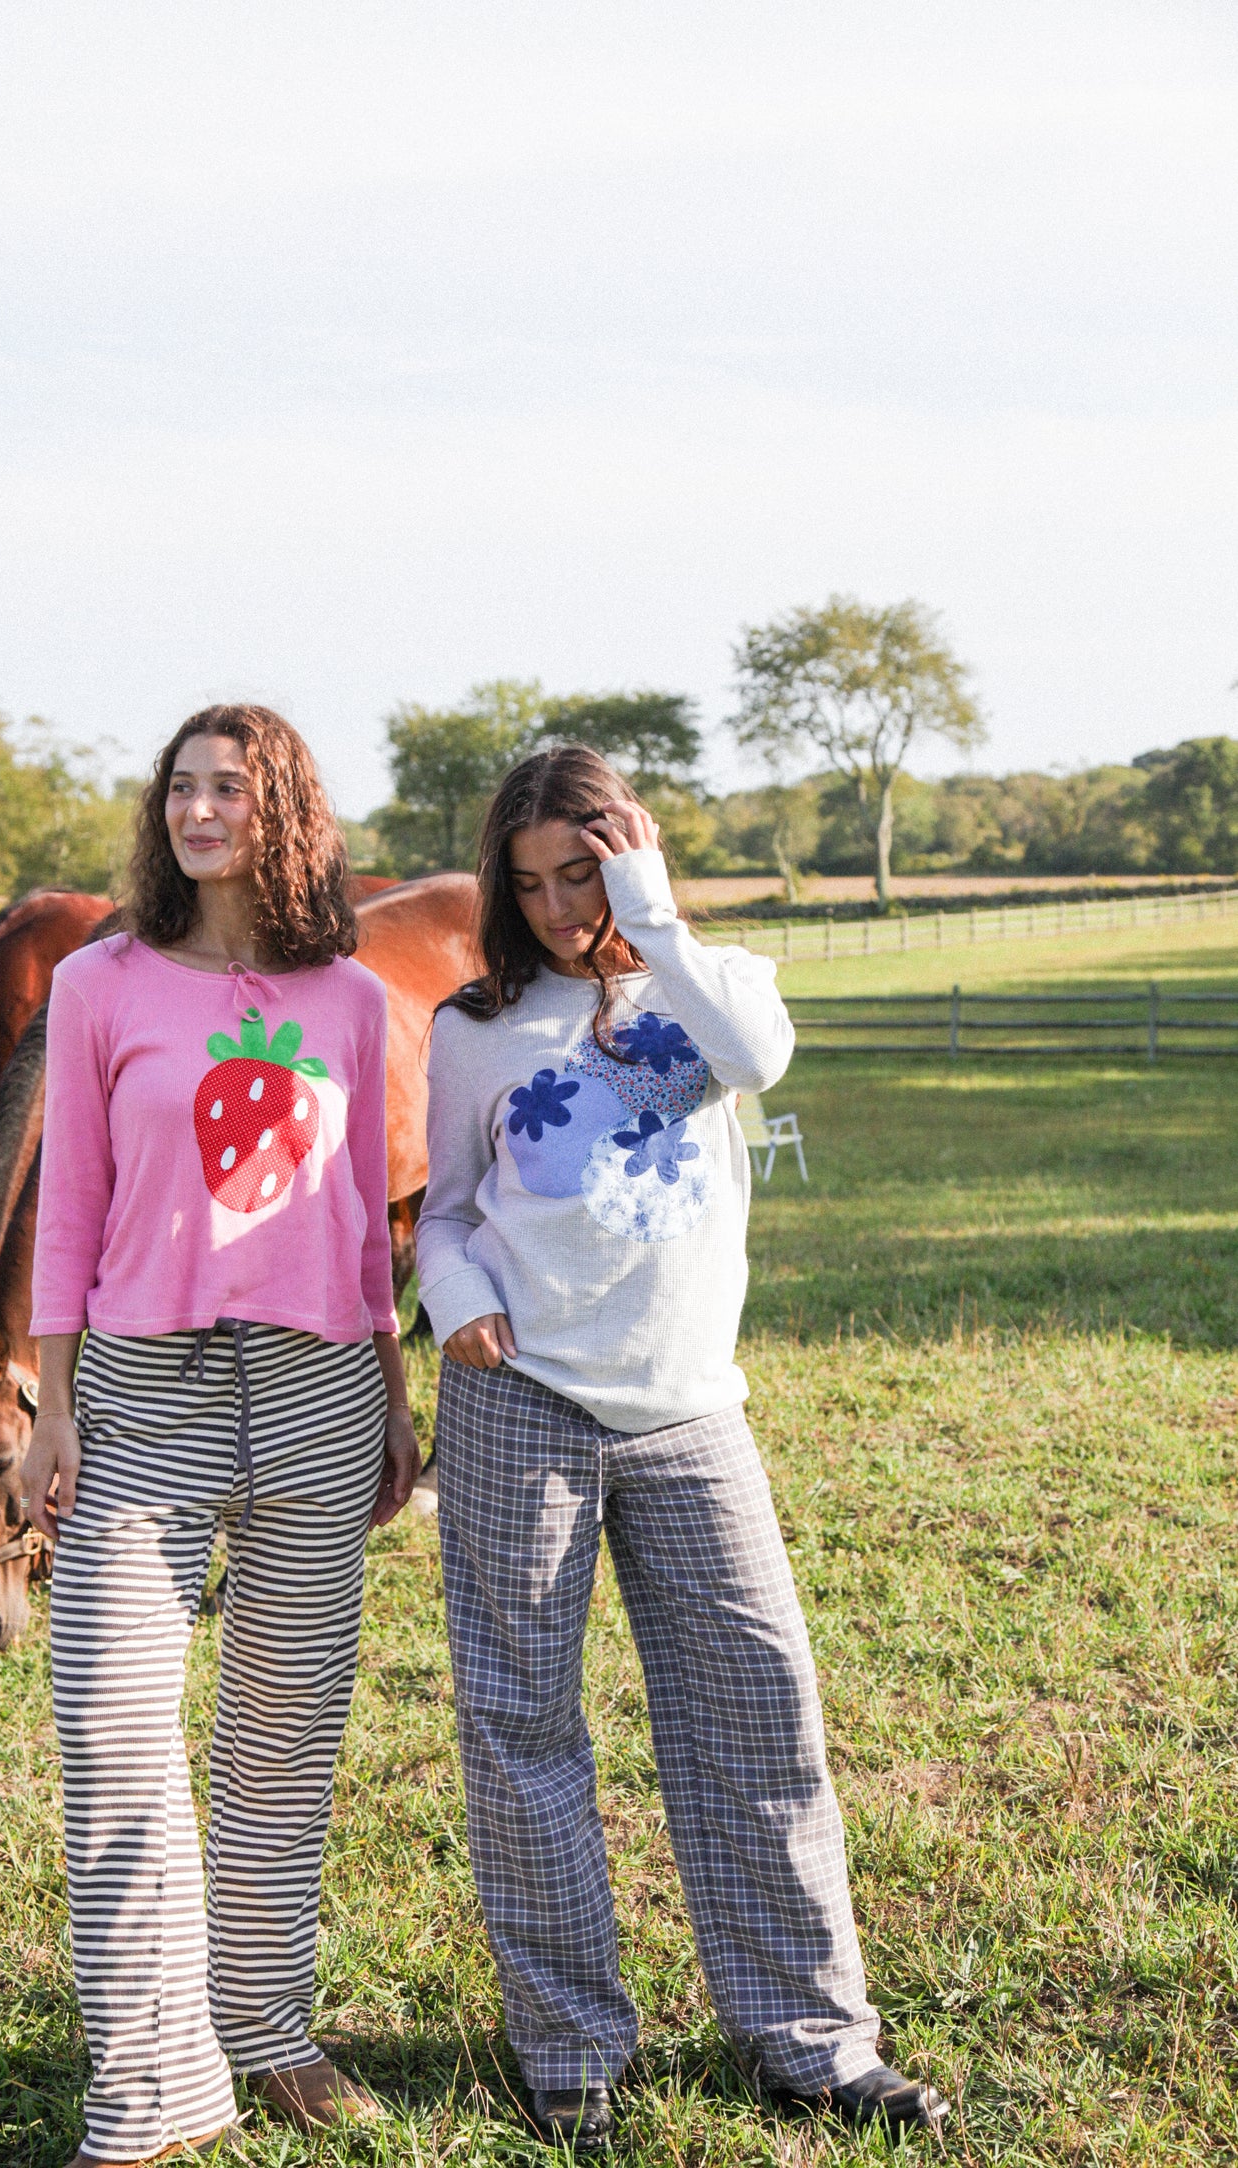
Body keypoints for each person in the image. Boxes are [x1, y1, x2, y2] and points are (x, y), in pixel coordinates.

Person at [416, 745, 947, 2150]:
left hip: (689, 1407)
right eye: (525, 883)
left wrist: (646, 914)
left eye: (575, 871)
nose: (552, 906)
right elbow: (444, 1211)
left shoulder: (716, 993)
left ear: (628, 853)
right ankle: (570, 2051)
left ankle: (810, 2040)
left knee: (758, 1717)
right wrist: (457, 1300)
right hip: (517, 1398)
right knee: (521, 1727)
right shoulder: (473, 1025)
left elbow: (759, 1059)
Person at [24, 704, 420, 2168]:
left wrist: (389, 1390)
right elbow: (68, 1202)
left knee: (282, 1736)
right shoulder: (98, 983)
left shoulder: (347, 999)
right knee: (116, 1733)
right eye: (181, 788)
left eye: (231, 791)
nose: (199, 812)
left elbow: (363, 1225)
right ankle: (149, 2097)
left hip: (318, 1385)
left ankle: (264, 2026)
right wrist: (49, 1401)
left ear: (285, 814)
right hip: (142, 1386)